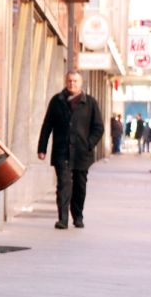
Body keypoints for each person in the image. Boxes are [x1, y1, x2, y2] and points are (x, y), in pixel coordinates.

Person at [37, 71, 104, 229]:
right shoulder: (57, 101)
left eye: (75, 81)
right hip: (62, 151)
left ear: (81, 83)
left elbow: (98, 128)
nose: (72, 84)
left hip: (82, 153)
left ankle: (78, 216)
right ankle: (63, 219)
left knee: (80, 186)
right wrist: (42, 148)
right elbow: (47, 126)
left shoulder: (90, 103)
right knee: (63, 185)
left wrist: (89, 144)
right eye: (69, 81)